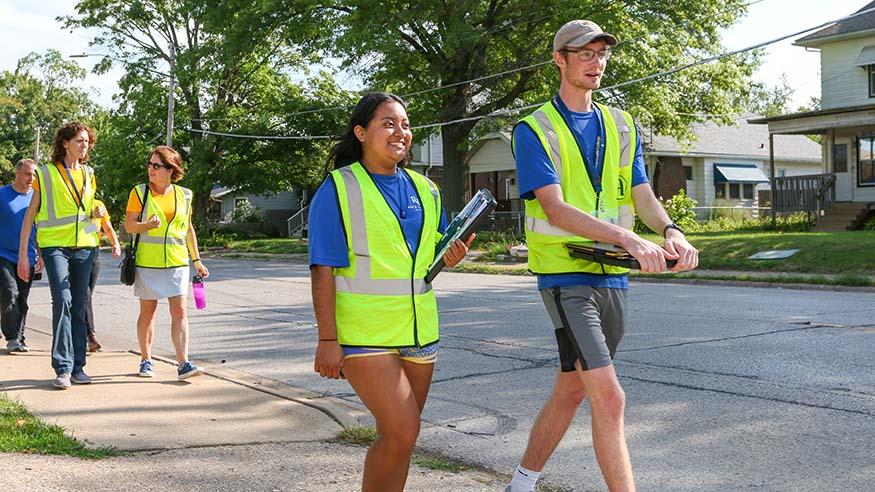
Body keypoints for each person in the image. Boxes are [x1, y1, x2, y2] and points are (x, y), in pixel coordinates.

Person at [506, 20, 699, 492]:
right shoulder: (534, 129)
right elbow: (553, 206)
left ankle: (521, 483)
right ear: (560, 59)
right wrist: (629, 240)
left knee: (572, 389)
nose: (596, 62)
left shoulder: (621, 123)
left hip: (612, 278)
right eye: (585, 53)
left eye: (601, 54)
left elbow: (641, 193)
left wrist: (671, 231)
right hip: (565, 276)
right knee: (610, 399)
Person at [309, 92, 472, 492]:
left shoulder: (426, 189)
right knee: (402, 430)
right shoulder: (339, 188)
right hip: (363, 336)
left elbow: (429, 254)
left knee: (403, 438)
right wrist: (327, 339)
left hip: (420, 333)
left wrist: (450, 256)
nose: (400, 132)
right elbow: (322, 268)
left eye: (405, 124)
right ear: (361, 132)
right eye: (388, 123)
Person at [18, 122, 103, 389]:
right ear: (65, 143)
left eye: (87, 141)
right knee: (63, 301)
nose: (84, 145)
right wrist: (24, 254)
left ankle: (79, 366)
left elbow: (84, 213)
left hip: (85, 248)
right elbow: (30, 215)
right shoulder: (45, 174)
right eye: (79, 140)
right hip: (54, 247)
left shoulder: (89, 174)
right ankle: (63, 368)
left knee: (79, 305)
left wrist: (96, 218)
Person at [124, 145, 208, 381]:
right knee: (148, 313)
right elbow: (129, 225)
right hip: (148, 264)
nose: (151, 169)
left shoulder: (185, 195)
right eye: (150, 164)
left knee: (180, 312)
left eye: (156, 165)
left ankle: (183, 363)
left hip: (177, 262)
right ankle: (146, 360)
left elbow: (188, 229)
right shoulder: (139, 192)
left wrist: (197, 260)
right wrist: (146, 226)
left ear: (171, 169)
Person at [1, 159, 41, 353]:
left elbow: (40, 228)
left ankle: (19, 336)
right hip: (3, 255)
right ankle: (11, 337)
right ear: (17, 173)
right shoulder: (2, 195)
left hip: (28, 256)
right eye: (27, 174)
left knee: (22, 299)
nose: (31, 179)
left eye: (34, 175)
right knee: (10, 293)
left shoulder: (36, 197)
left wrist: (40, 255)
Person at [84, 198, 121, 352]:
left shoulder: (98, 204)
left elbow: (107, 226)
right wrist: (92, 216)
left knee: (87, 296)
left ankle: (84, 335)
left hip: (94, 253)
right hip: (75, 252)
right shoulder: (75, 202)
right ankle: (90, 336)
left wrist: (115, 244)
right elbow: (83, 229)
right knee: (84, 295)